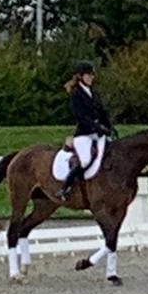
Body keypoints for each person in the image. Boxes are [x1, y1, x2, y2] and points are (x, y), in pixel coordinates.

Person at [51, 61, 116, 202]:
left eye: (92, 75)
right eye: (88, 75)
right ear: (80, 76)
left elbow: (102, 112)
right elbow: (81, 116)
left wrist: (109, 127)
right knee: (85, 160)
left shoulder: (94, 93)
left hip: (98, 134)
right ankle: (65, 188)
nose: (91, 77)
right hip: (84, 134)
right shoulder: (76, 94)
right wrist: (97, 127)